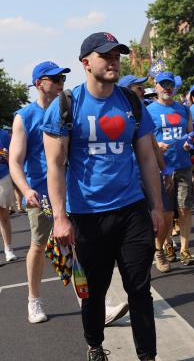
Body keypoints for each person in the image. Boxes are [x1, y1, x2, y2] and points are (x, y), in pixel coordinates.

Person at [42, 32, 163, 361]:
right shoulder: (67, 105)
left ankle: (147, 356)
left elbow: (148, 158)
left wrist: (156, 207)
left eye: (117, 55)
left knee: (139, 288)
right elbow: (55, 166)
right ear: (86, 63)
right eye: (106, 56)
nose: (113, 61)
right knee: (93, 293)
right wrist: (60, 218)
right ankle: (95, 345)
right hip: (87, 216)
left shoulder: (131, 102)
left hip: (132, 211)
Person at [9, 61, 70, 324]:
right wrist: (25, 189)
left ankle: (95, 299)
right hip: (42, 195)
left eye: (62, 79)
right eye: (54, 79)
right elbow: (14, 160)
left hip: (70, 190)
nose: (60, 83)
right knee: (40, 243)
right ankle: (33, 300)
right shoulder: (25, 116)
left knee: (78, 244)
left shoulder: (68, 111)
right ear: (38, 83)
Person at [147, 71, 194, 267]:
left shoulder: (184, 109)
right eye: (163, 84)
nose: (167, 88)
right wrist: (156, 145)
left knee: (185, 207)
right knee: (166, 212)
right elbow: (144, 139)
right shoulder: (149, 111)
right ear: (156, 86)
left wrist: (190, 143)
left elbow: (191, 133)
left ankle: (185, 249)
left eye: (170, 84)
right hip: (161, 169)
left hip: (183, 165)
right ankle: (166, 245)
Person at [0, 128, 16, 262]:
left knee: (3, 215)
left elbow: (14, 155)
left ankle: (8, 248)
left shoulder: (3, 134)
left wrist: (8, 156)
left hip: (3, 176)